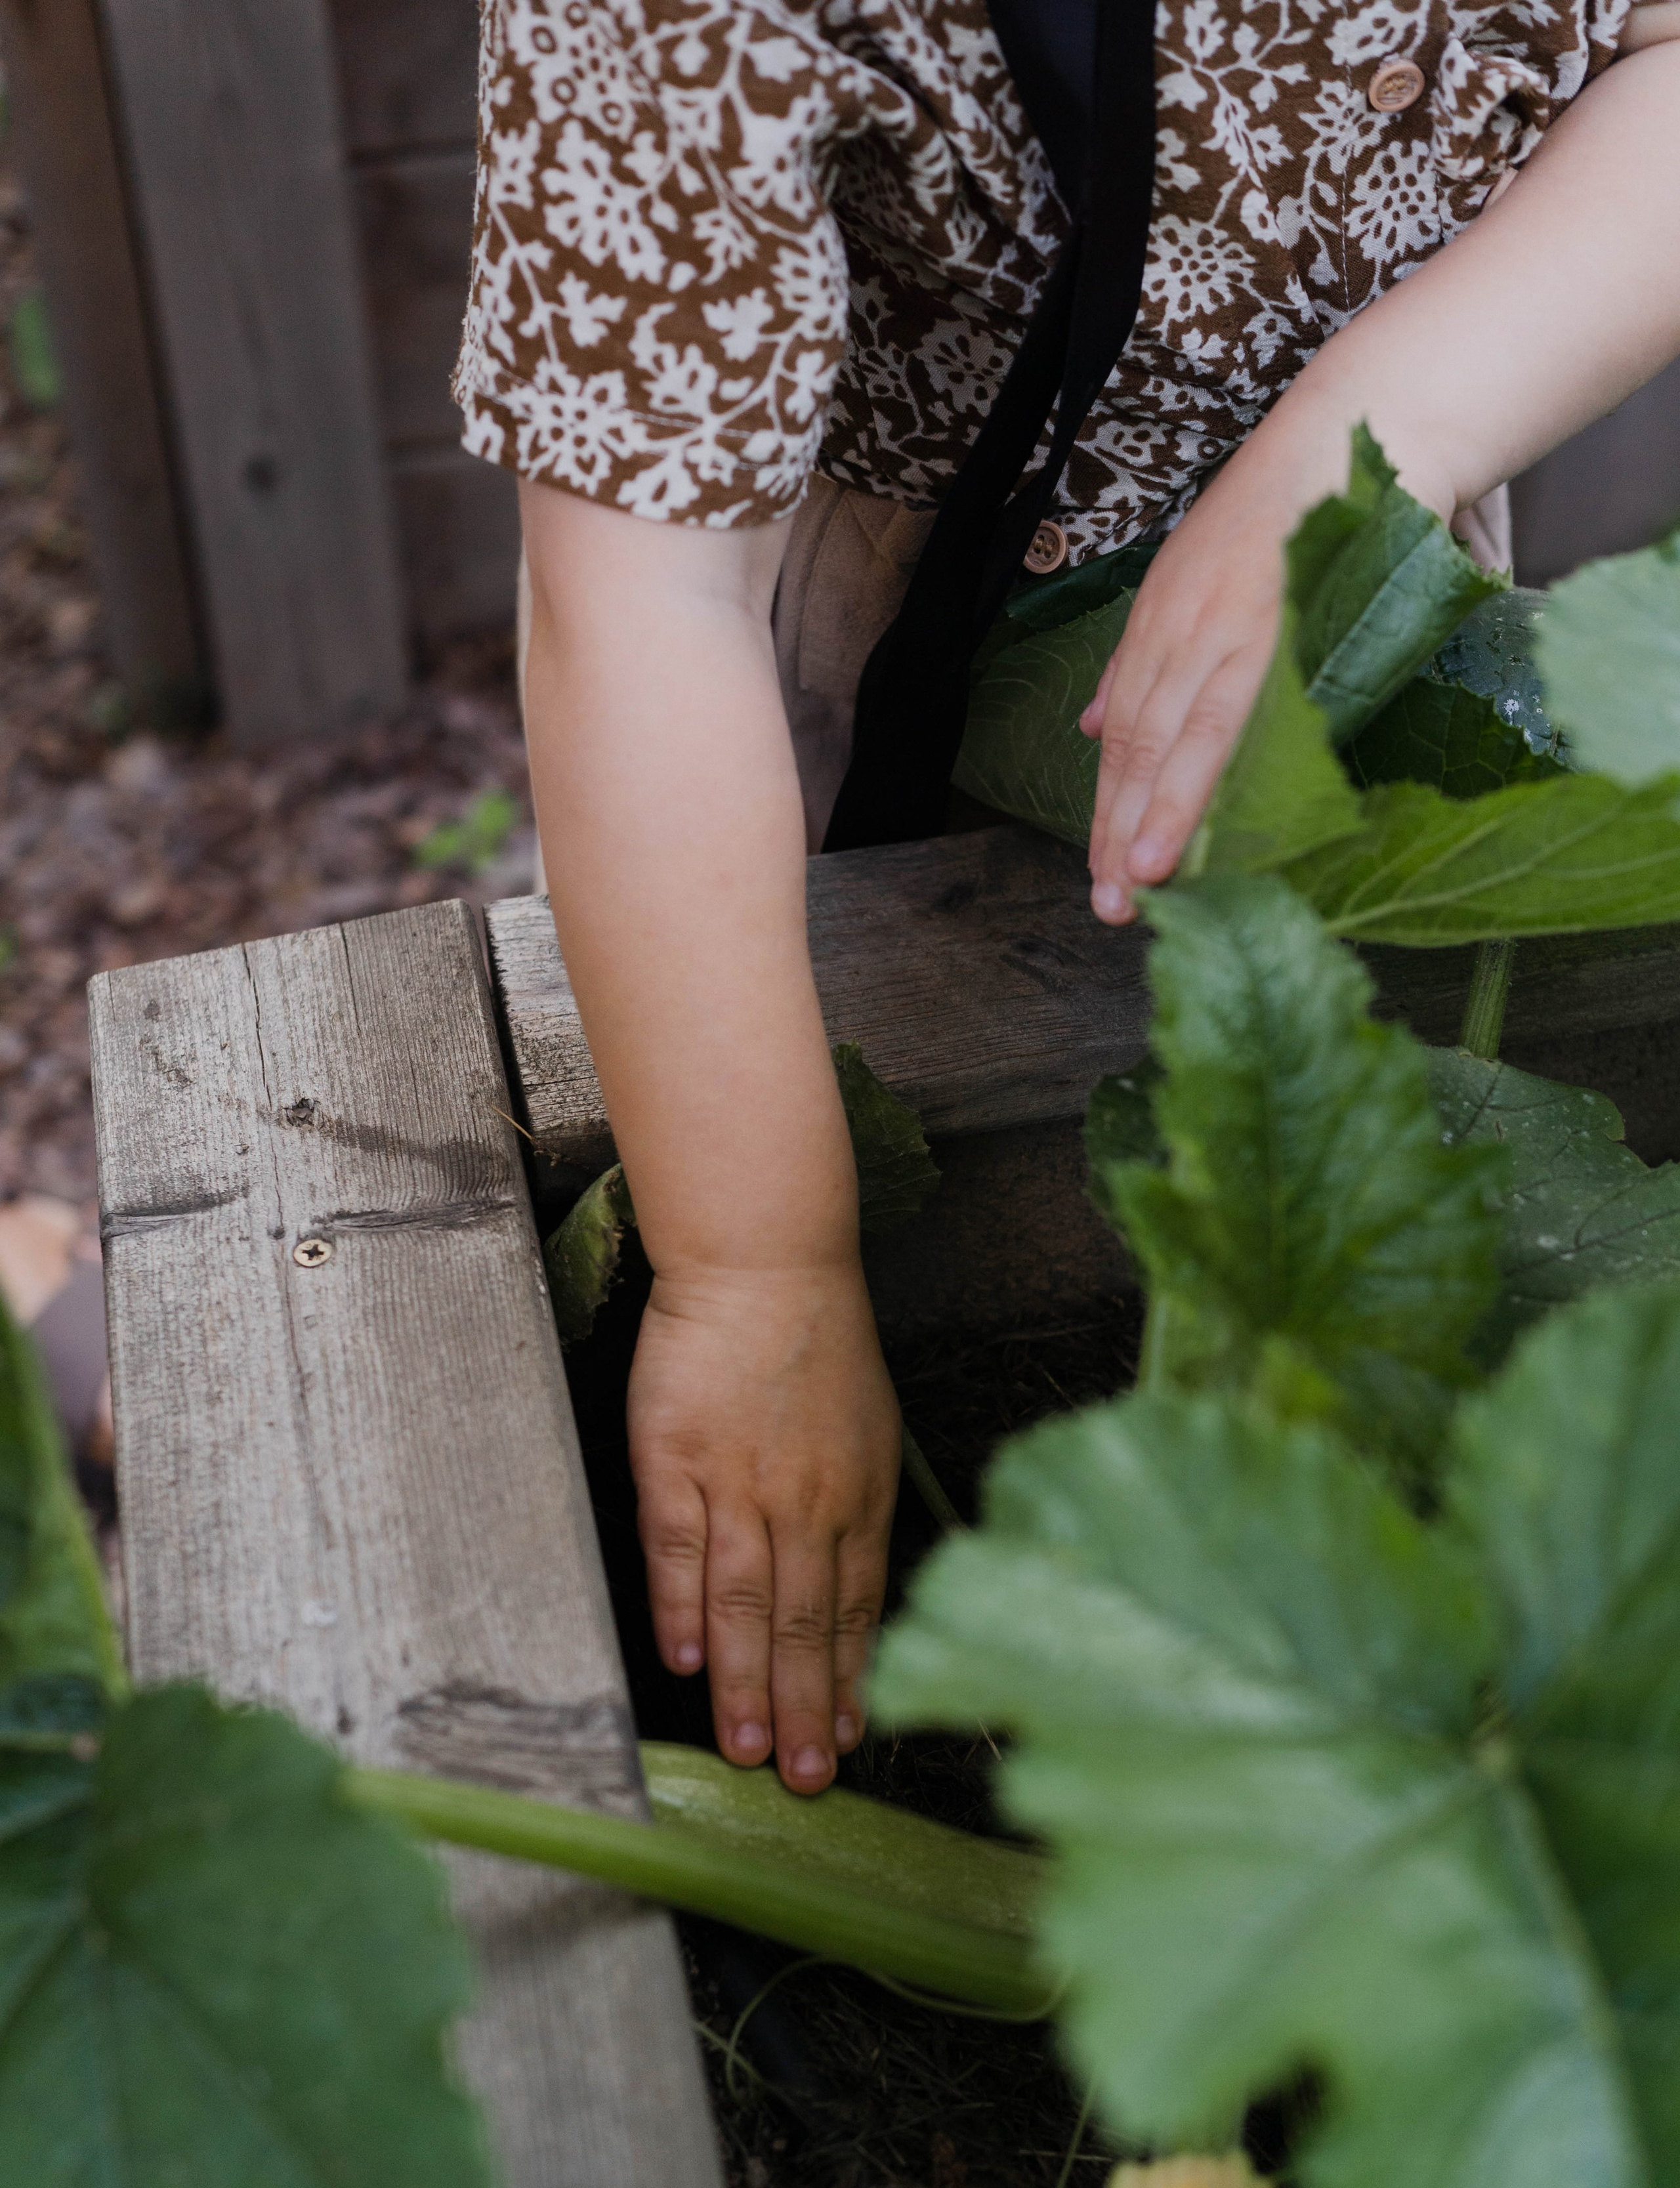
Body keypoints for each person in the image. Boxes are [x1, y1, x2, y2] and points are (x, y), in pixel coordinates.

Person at [456, 0, 1680, 1794]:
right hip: (853, 775)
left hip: (1351, 657)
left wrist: (1367, 427)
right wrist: (757, 1267)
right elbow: (636, 596)